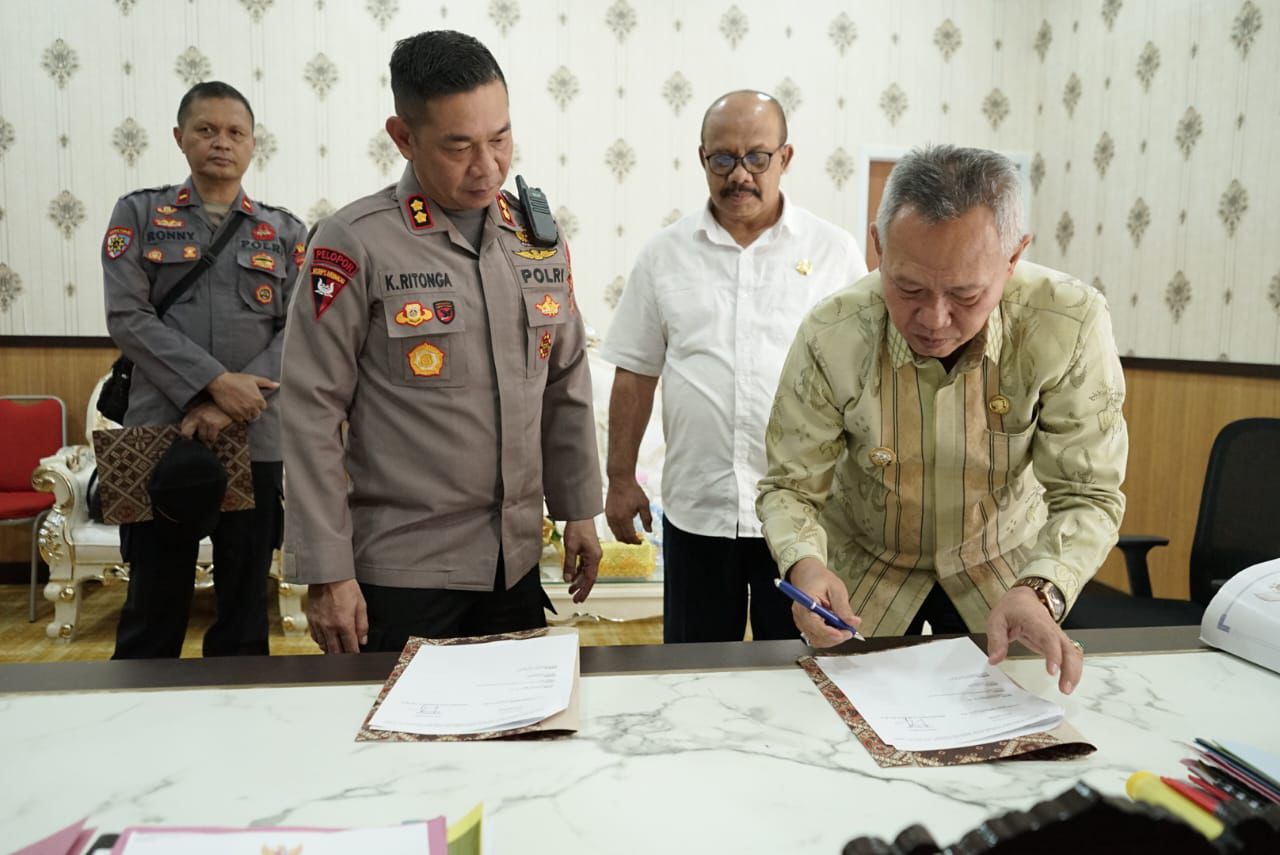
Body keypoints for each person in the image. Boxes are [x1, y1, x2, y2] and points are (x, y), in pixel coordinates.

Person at [757, 145, 1128, 693]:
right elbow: (789, 486)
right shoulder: (833, 333)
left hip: (1006, 580)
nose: (934, 319)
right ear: (879, 247)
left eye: (965, 294)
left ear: (1013, 256)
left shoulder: (1067, 324)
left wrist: (1043, 588)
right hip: (865, 579)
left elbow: (1089, 493)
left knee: (1009, 744)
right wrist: (806, 566)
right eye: (907, 288)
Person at [278, 30, 602, 655]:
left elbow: (565, 382)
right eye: (459, 146)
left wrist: (579, 509)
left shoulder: (535, 238)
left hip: (515, 565)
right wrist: (327, 570)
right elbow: (310, 410)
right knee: (399, 747)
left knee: (520, 741)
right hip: (400, 574)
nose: (487, 167)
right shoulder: (354, 242)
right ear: (404, 137)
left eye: (500, 138)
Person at [601, 91, 868, 644]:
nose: (739, 174)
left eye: (756, 158)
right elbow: (635, 373)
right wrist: (621, 477)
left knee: (802, 670)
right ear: (702, 159)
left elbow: (867, 382)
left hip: (803, 517)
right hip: (698, 509)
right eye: (722, 159)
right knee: (691, 669)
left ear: (785, 158)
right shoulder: (664, 255)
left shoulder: (833, 254)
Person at [102, 81, 305, 659]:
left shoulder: (286, 231)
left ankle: (238, 724)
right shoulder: (139, 214)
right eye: (206, 130)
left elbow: (302, 333)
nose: (222, 142)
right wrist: (213, 385)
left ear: (252, 144)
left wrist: (228, 402)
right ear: (180, 138)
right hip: (159, 433)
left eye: (235, 132)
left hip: (255, 432)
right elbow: (127, 316)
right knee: (152, 601)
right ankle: (138, 719)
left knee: (244, 607)